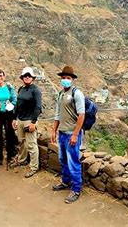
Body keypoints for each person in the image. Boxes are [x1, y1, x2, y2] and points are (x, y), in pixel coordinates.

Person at [51, 65, 85, 204]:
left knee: (73, 162)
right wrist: (53, 130)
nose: (65, 80)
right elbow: (58, 114)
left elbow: (81, 115)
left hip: (72, 134)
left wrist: (76, 135)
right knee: (63, 160)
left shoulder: (77, 93)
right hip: (62, 133)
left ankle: (76, 189)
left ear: (72, 79)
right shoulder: (60, 94)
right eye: (63, 78)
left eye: (68, 78)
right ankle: (65, 182)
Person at [11, 67, 42, 178]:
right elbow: (18, 106)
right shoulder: (21, 89)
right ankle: (22, 160)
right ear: (22, 78)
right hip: (20, 119)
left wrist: (33, 122)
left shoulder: (36, 90)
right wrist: (15, 118)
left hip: (29, 120)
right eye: (25, 75)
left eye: (29, 75)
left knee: (31, 144)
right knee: (22, 142)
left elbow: (38, 107)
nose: (27, 77)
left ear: (32, 78)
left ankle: (34, 167)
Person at [0, 69, 17, 166]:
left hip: (8, 114)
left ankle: (10, 156)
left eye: (1, 75)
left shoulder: (9, 88)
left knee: (10, 135)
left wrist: (10, 104)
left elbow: (14, 100)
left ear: (4, 77)